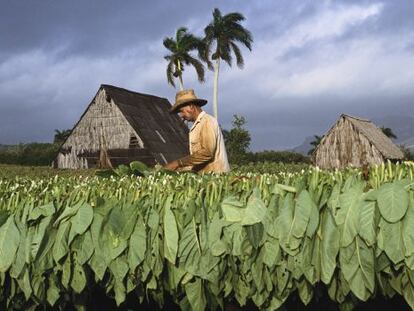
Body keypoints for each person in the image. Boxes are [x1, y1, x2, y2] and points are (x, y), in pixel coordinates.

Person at [164, 89, 230, 173]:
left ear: (191, 106)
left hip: (216, 177)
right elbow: (197, 159)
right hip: (205, 177)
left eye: (181, 111)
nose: (181, 115)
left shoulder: (207, 121)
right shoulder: (197, 126)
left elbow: (207, 152)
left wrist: (177, 163)